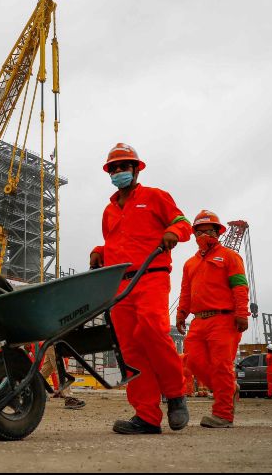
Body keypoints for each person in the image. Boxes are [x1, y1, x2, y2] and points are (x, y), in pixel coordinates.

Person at [89, 143, 192, 435]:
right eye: (114, 168)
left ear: (136, 169)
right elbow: (116, 243)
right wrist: (99, 251)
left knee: (152, 330)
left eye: (124, 167)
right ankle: (146, 416)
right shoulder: (109, 211)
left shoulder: (155, 197)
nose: (119, 171)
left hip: (151, 275)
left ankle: (175, 394)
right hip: (119, 284)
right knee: (129, 349)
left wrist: (173, 232)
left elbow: (181, 221)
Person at [176, 210, 250, 428]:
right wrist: (181, 313)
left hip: (224, 320)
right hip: (198, 321)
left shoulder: (230, 256)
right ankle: (228, 389)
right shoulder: (190, 263)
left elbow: (239, 286)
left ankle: (223, 415)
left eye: (209, 231)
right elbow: (186, 291)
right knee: (193, 362)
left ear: (218, 233)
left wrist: (242, 313)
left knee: (221, 366)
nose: (204, 235)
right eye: (199, 231)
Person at [39, 344, 86, 409]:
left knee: (45, 371)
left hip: (51, 343)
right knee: (60, 369)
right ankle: (68, 398)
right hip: (54, 343)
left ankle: (29, 388)